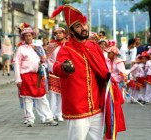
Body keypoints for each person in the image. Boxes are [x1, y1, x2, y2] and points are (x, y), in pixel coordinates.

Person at [51, 4, 125, 140]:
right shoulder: (66, 49)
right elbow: (56, 68)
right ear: (71, 31)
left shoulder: (93, 46)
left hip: (97, 107)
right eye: (78, 26)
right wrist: (64, 68)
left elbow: (103, 70)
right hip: (77, 108)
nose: (84, 28)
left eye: (84, 24)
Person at [14, 26, 58, 127]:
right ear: (23, 37)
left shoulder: (38, 47)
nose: (28, 37)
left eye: (30, 35)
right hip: (25, 76)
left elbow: (44, 59)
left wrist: (44, 66)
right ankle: (30, 119)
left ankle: (49, 118)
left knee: (42, 97)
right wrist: (18, 79)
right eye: (26, 36)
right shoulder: (20, 49)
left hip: (37, 76)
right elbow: (16, 64)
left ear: (33, 36)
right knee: (27, 98)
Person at [47, 27, 67, 122]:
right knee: (52, 94)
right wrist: (52, 67)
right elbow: (47, 58)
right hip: (53, 71)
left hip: (64, 72)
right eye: (56, 33)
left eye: (60, 33)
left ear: (64, 34)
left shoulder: (68, 45)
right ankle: (51, 114)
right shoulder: (51, 45)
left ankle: (59, 113)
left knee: (62, 94)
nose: (58, 34)